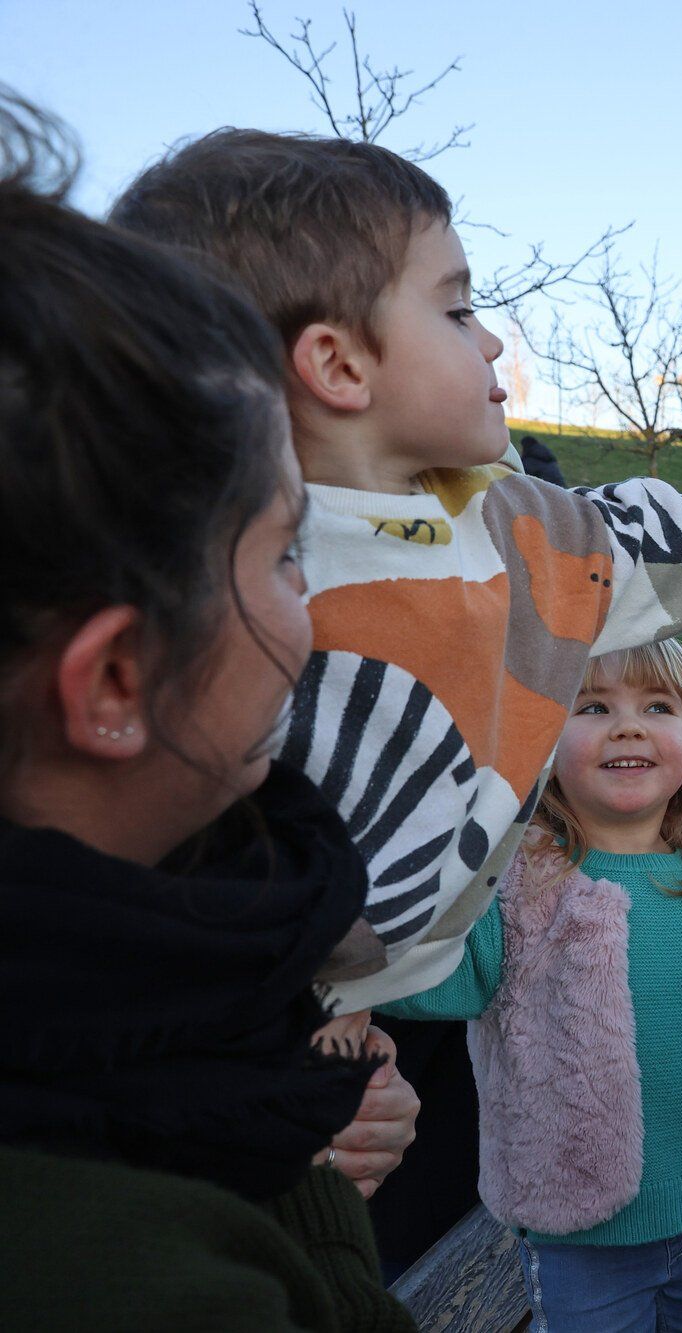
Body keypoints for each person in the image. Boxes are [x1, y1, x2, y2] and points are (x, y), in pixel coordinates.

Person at [109, 128, 682, 1018]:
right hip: (233, 1011)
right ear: (338, 364)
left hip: (422, 984)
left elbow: (659, 535)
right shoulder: (220, 578)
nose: (488, 342)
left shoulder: (512, 525)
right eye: (454, 312)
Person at [0, 94, 417, 1331]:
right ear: (116, 682)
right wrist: (300, 1175)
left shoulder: (201, 972)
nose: (309, 615)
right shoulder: (122, 1281)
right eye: (286, 556)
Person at [381, 640, 682, 1331]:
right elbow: (432, 983)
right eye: (593, 706)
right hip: (581, 1241)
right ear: (542, 745)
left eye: (656, 706)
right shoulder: (517, 887)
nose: (628, 725)